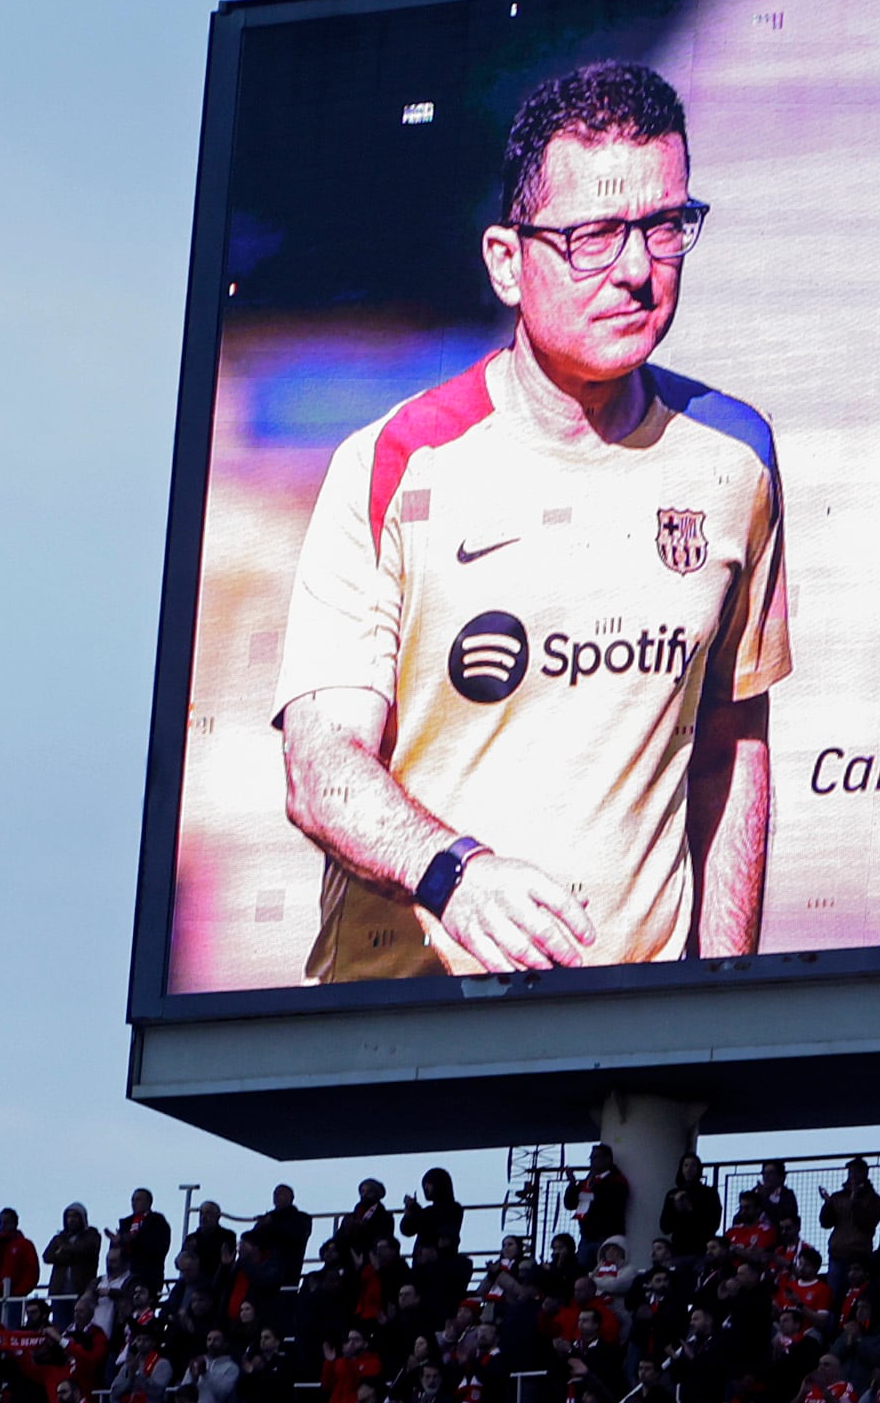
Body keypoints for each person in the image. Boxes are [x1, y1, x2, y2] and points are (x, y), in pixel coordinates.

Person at [269, 59, 791, 980]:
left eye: (666, 228)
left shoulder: (735, 458)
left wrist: (720, 1003)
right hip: (407, 1032)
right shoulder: (392, 462)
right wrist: (454, 875)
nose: (637, 270)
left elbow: (731, 751)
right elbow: (320, 766)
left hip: (633, 1054)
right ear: (507, 263)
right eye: (594, 235)